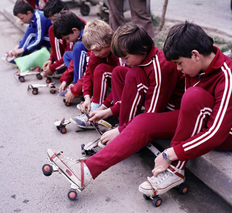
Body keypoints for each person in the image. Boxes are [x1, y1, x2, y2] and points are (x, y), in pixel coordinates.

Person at [47, 21, 232, 198]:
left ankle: (175, 171)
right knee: (144, 121)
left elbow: (216, 132)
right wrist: (121, 123)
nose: (178, 69)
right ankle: (86, 170)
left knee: (194, 96)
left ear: (195, 55)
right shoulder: (195, 67)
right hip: (192, 116)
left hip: (222, 134)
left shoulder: (227, 75)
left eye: (179, 63)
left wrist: (169, 154)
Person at [89, 24, 183, 143]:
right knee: (119, 71)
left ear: (142, 49)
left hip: (169, 106)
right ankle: (122, 120)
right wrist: (108, 111)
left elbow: (152, 113)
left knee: (133, 75)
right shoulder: (143, 59)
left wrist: (123, 130)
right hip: (154, 98)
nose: (124, 62)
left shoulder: (160, 68)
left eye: (126, 58)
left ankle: (127, 132)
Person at [70, 19, 122, 128]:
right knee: (96, 66)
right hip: (110, 88)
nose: (96, 54)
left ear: (110, 42)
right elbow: (88, 74)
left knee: (101, 70)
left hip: (123, 88)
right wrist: (87, 97)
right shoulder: (96, 53)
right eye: (93, 51)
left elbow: (122, 84)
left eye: (98, 50)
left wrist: (103, 107)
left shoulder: (119, 53)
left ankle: (94, 113)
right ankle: (95, 106)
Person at [2, 0, 51, 66]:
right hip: (46, 37)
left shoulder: (39, 18)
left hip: (54, 39)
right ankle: (19, 56)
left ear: (29, 12)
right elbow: (26, 36)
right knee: (30, 33)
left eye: (22, 18)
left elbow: (38, 40)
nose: (21, 21)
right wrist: (16, 49)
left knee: (33, 35)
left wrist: (22, 50)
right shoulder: (32, 18)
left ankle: (20, 57)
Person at [53, 10, 88, 94]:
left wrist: (75, 89)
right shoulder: (78, 35)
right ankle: (76, 79)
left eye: (67, 38)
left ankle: (79, 86)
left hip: (92, 63)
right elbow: (74, 60)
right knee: (67, 55)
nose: (67, 42)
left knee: (77, 47)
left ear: (75, 30)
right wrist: (65, 79)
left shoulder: (88, 36)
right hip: (85, 60)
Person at [42, 0, 71, 77]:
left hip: (71, 60)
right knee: (52, 28)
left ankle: (61, 68)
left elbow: (70, 53)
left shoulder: (71, 26)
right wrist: (51, 59)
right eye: (51, 20)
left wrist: (53, 68)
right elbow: (57, 48)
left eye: (53, 19)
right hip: (64, 58)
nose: (52, 22)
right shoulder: (60, 24)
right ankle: (60, 67)